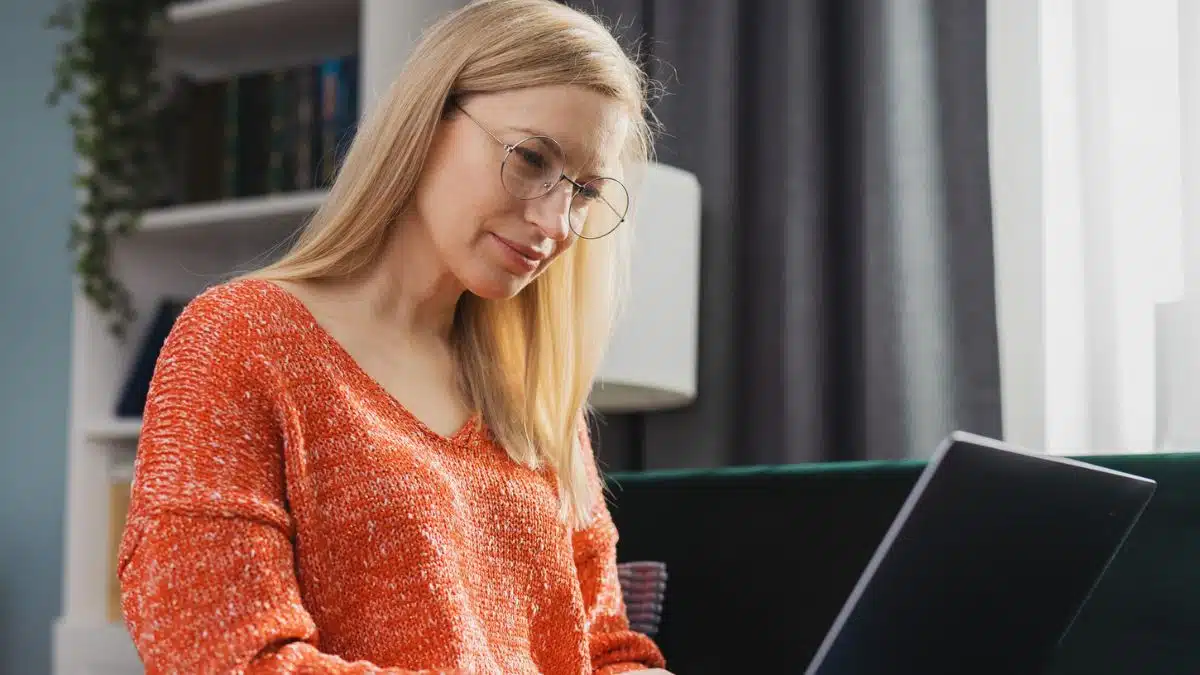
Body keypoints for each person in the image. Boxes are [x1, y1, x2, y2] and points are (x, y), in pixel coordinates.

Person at [116, 1, 674, 673]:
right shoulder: (239, 339)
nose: (557, 224)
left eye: (584, 192)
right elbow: (226, 655)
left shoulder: (533, 390)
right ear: (427, 122)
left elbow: (605, 647)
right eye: (531, 158)